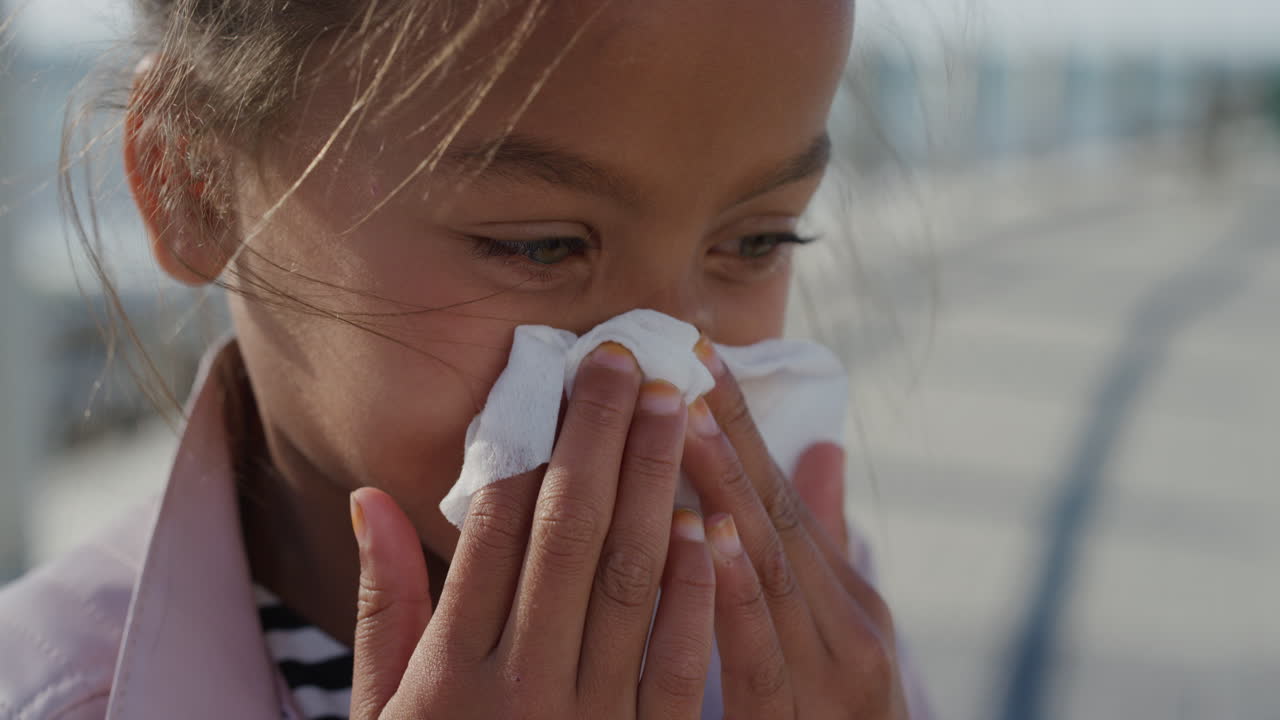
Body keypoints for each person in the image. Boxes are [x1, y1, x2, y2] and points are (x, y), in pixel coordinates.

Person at [0, 1, 932, 718]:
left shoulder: (815, 654)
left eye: (759, 243)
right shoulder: (56, 690)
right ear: (192, 182)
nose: (663, 367)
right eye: (541, 247)